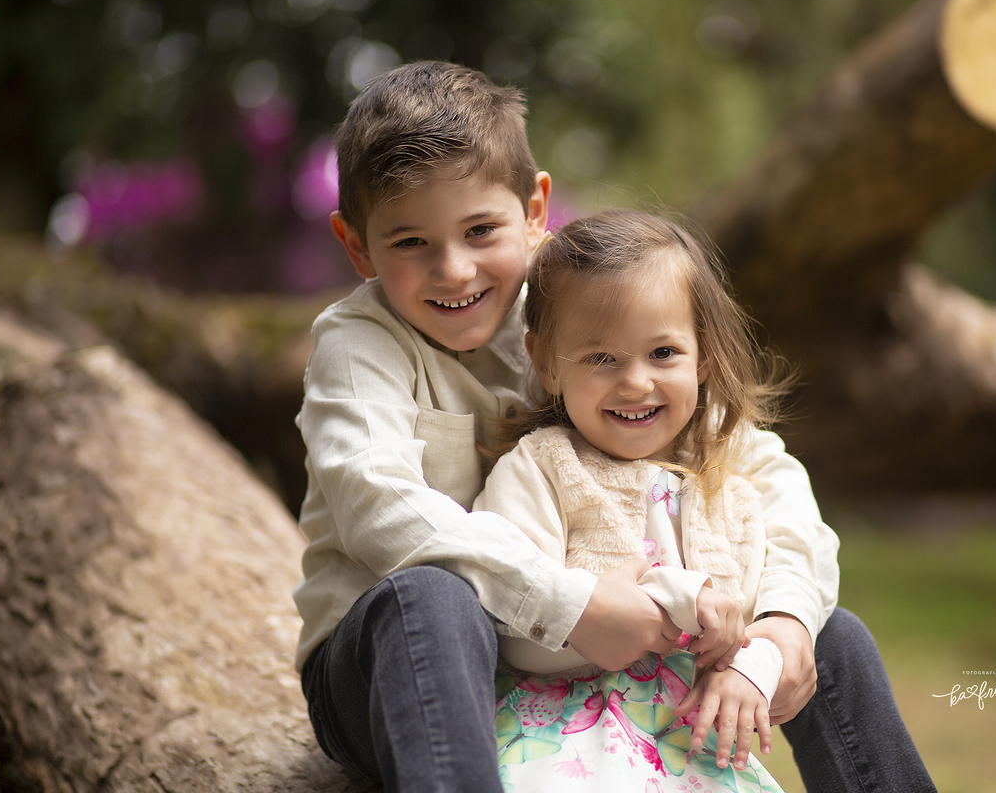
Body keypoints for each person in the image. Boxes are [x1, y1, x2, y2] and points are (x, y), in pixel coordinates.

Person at [294, 59, 935, 793]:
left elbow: (759, 467)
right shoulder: (359, 346)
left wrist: (784, 621)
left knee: (832, 632)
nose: (455, 270)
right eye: (410, 243)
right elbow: (378, 508)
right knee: (433, 597)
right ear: (356, 245)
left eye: (480, 230)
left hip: (600, 644)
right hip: (399, 666)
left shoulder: (581, 306)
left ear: (535, 210)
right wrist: (570, 603)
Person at [474, 208, 795, 791]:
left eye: (663, 353)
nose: (636, 382)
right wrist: (671, 596)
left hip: (690, 742)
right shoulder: (542, 469)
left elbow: (750, 621)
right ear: (546, 361)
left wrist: (755, 667)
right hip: (567, 741)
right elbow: (513, 632)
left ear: (703, 355)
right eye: (601, 358)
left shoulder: (728, 489)